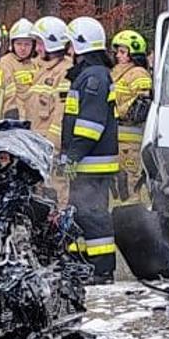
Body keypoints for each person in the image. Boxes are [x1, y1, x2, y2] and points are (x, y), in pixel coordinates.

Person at [62, 17, 119, 284]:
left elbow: (90, 124)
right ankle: (81, 267)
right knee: (80, 215)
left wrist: (72, 154)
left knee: (93, 217)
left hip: (92, 163)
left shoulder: (93, 77)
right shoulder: (90, 75)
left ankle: (101, 270)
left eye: (70, 44)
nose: (67, 50)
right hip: (88, 162)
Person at [109, 29, 154, 209]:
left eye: (123, 51)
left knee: (130, 182)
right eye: (118, 51)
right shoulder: (115, 73)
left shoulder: (139, 74)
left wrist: (117, 111)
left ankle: (133, 220)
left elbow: (141, 106)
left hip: (131, 140)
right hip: (116, 137)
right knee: (117, 183)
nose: (119, 55)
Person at [22, 16, 74, 144]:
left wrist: (52, 148)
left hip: (45, 143)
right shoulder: (37, 68)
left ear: (53, 42)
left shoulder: (65, 72)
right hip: (30, 140)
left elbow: (60, 117)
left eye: (40, 43)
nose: (36, 49)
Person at [1, 18, 40, 113]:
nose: (23, 48)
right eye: (19, 44)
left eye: (27, 44)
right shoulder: (5, 63)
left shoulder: (37, 63)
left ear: (33, 45)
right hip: (18, 117)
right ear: (12, 44)